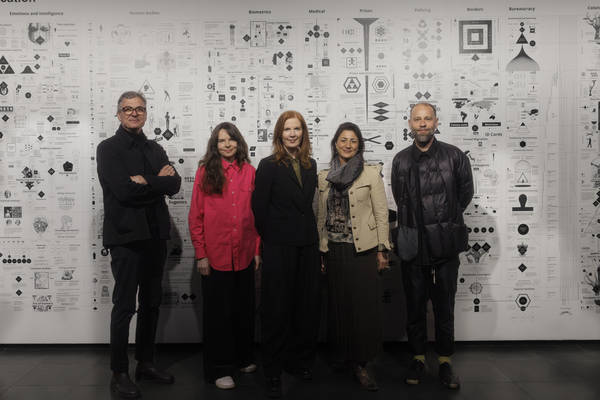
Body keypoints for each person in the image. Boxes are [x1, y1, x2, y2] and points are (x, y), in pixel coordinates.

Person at [97, 91, 181, 398]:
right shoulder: (108, 149)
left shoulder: (155, 148)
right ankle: (119, 373)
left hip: (155, 235)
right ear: (118, 114)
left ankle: (146, 363)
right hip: (126, 238)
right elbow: (123, 191)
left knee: (151, 303)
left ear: (146, 113)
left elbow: (175, 184)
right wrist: (156, 180)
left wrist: (145, 180)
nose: (134, 113)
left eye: (140, 109)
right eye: (128, 109)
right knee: (124, 306)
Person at [391, 102, 473, 390]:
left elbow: (464, 195)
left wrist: (443, 221)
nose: (423, 123)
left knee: (444, 307)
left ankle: (445, 362)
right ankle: (417, 357)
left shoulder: (455, 156)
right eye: (418, 119)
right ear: (410, 124)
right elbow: (399, 198)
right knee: (414, 307)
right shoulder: (401, 160)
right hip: (413, 244)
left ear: (436, 122)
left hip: (445, 245)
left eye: (428, 118)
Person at [316, 122, 390, 391]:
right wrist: (321, 249)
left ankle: (361, 363)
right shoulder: (323, 176)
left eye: (353, 141)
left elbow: (381, 213)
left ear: (359, 146)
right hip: (334, 250)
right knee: (339, 307)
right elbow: (320, 216)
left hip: (363, 250)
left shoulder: (371, 173)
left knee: (363, 309)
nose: (348, 145)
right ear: (335, 143)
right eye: (343, 140)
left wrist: (382, 249)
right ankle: (343, 357)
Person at [251, 110, 321, 398]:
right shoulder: (268, 165)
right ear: (279, 134)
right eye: (287, 129)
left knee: (305, 307)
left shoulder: (310, 164)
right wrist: (272, 240)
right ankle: (273, 370)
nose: (293, 134)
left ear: (303, 133)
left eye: (297, 129)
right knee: (276, 310)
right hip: (279, 246)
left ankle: (298, 362)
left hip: (307, 245)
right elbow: (258, 208)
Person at [188, 122, 261, 390]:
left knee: (244, 311)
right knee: (218, 316)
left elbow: (257, 215)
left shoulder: (251, 172)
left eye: (231, 139)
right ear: (215, 145)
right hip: (215, 256)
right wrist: (201, 254)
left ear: (238, 142)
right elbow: (195, 216)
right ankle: (219, 369)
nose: (227, 144)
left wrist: (256, 250)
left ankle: (243, 358)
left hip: (244, 254)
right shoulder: (205, 172)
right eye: (221, 141)